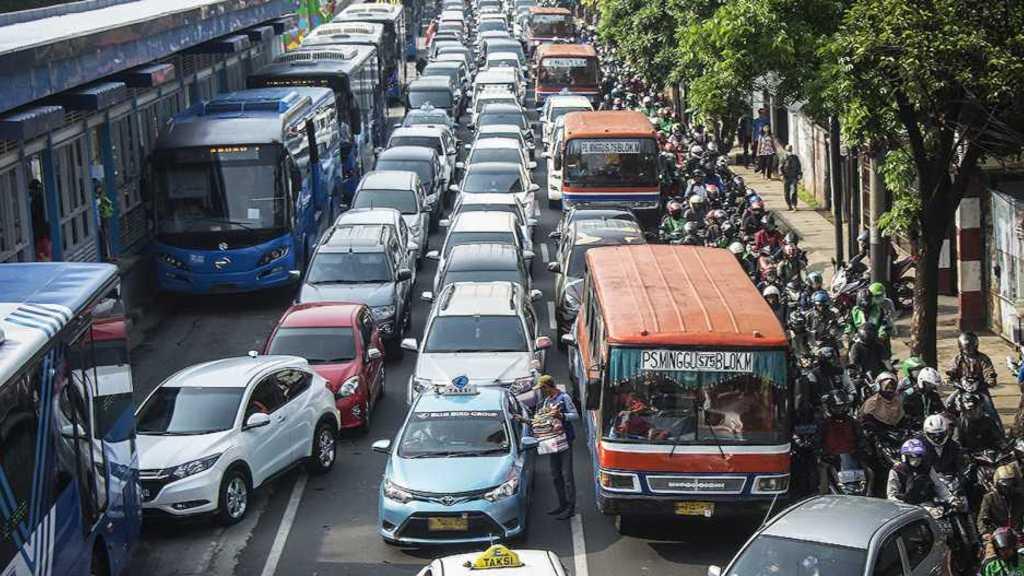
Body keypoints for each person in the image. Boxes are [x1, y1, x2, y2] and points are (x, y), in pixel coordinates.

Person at [533, 374, 578, 520]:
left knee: (567, 476)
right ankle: (562, 504)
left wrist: (562, 416)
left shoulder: (564, 398)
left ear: (548, 387)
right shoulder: (546, 401)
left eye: (542, 388)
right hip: (552, 441)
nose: (542, 391)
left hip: (565, 441)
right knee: (555, 475)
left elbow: (575, 416)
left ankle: (570, 507)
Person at [817, 390, 871, 494]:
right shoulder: (824, 424)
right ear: (830, 407)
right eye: (836, 407)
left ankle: (869, 494)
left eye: (842, 406)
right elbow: (817, 442)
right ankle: (823, 497)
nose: (839, 410)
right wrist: (822, 454)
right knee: (822, 473)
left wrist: (862, 451)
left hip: (851, 459)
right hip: (832, 460)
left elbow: (861, 439)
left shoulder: (853, 422)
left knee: (870, 473)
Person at [887, 438, 950, 505]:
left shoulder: (927, 468)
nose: (916, 459)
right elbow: (891, 495)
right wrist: (902, 504)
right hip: (905, 507)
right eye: (912, 456)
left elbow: (939, 486)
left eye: (919, 456)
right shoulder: (897, 470)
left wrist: (950, 499)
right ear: (905, 457)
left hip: (927, 505)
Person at [977, 465, 1024, 540]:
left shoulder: (1019, 496)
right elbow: (982, 517)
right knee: (990, 549)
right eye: (1004, 481)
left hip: (1018, 534)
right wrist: (985, 532)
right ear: (997, 482)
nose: (1007, 484)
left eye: (1010, 481)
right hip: (998, 535)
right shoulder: (989, 498)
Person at [946, 332, 998, 398]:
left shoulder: (983, 358)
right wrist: (949, 376)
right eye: (966, 348)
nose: (969, 350)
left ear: (975, 346)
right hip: (962, 386)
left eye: (971, 347)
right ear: (961, 347)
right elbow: (952, 368)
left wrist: (990, 378)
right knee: (948, 403)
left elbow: (988, 369)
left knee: (989, 406)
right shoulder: (958, 358)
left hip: (979, 386)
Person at [919, 413, 961, 477]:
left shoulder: (954, 446)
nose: (937, 439)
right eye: (933, 435)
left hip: (950, 483)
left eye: (941, 435)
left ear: (947, 431)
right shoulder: (917, 445)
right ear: (925, 433)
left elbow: (959, 467)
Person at [780, 144, 803, 210]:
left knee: (794, 191)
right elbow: (780, 167)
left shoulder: (795, 157)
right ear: (785, 150)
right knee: (786, 192)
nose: (789, 151)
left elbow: (799, 166)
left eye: (790, 149)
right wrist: (781, 175)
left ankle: (794, 205)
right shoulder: (784, 157)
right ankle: (789, 205)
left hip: (794, 176)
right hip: (786, 177)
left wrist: (799, 174)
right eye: (788, 149)